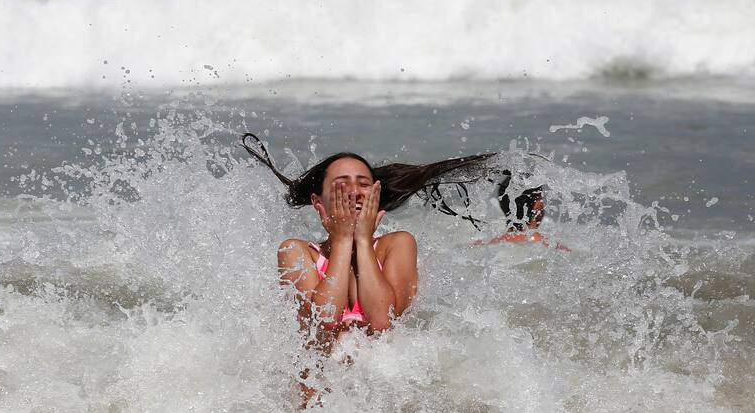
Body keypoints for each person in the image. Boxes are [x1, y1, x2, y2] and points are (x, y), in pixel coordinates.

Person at [243, 134, 489, 340]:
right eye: (342, 184)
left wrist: (362, 241)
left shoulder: (397, 244)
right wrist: (341, 241)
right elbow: (324, 321)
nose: (354, 192)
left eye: (363, 184)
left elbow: (383, 322)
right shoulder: (296, 251)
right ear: (318, 201)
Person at [476, 169, 568, 250]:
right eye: (542, 198)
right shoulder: (555, 248)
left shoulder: (482, 245)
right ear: (538, 204)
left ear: (502, 204)